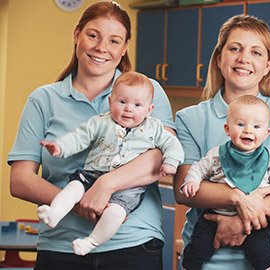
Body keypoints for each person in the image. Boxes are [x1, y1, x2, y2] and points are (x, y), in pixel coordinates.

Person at [7, 1, 176, 269]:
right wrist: (79, 204)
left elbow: (160, 158)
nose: (101, 47)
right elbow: (20, 180)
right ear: (77, 35)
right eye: (93, 35)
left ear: (124, 48)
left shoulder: (147, 92)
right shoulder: (43, 99)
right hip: (60, 247)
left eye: (114, 40)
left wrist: (104, 186)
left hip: (134, 243)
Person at [174, 15, 270, 270]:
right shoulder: (189, 118)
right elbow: (184, 188)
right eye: (235, 48)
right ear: (219, 59)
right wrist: (239, 199)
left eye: (256, 52)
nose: (244, 59)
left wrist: (248, 218)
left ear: (268, 65)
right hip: (207, 262)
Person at [37, 71, 184, 256]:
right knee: (73, 187)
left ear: (149, 109)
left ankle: (91, 241)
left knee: (116, 213)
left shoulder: (154, 128)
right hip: (92, 173)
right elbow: (78, 138)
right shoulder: (100, 123)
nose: (128, 109)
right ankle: (54, 213)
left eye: (137, 105)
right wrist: (60, 148)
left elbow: (172, 144)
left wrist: (170, 162)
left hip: (130, 187)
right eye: (122, 102)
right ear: (110, 102)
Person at [181, 95, 270, 270]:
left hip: (255, 220)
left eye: (257, 126)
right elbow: (199, 168)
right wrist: (192, 180)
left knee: (260, 250)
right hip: (215, 214)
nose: (248, 131)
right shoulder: (217, 155)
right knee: (197, 246)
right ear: (227, 129)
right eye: (241, 124)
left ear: (266, 133)